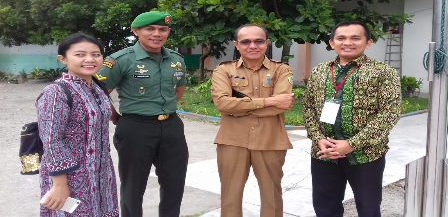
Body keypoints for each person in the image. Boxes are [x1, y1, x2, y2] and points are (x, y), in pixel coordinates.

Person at [303, 20, 401, 217]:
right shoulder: (319, 71)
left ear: (368, 42)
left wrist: (352, 144)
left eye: (355, 38)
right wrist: (319, 139)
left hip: (366, 154)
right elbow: (309, 108)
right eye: (341, 38)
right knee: (324, 206)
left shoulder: (383, 72)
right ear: (332, 43)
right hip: (324, 153)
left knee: (368, 208)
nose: (348, 42)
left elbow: (389, 113)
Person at [96, 11, 188, 217]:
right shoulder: (120, 60)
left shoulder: (175, 59)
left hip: (172, 127)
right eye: (150, 29)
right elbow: (99, 95)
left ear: (168, 32)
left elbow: (178, 91)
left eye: (163, 29)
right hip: (135, 128)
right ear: (136, 31)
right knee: (133, 185)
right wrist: (117, 119)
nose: (157, 34)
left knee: (175, 181)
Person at [210, 24, 295, 217]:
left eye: (258, 41)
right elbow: (223, 104)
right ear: (236, 44)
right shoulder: (224, 70)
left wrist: (238, 106)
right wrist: (268, 101)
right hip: (232, 140)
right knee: (230, 195)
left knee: (271, 194)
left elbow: (281, 105)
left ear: (267, 43)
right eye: (245, 41)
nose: (252, 45)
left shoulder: (282, 70)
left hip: (270, 140)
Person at [37, 33, 119, 216]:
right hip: (71, 177)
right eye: (80, 54)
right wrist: (60, 184)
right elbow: (52, 141)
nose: (89, 59)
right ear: (63, 59)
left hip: (101, 173)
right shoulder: (56, 92)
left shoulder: (97, 88)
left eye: (96, 54)